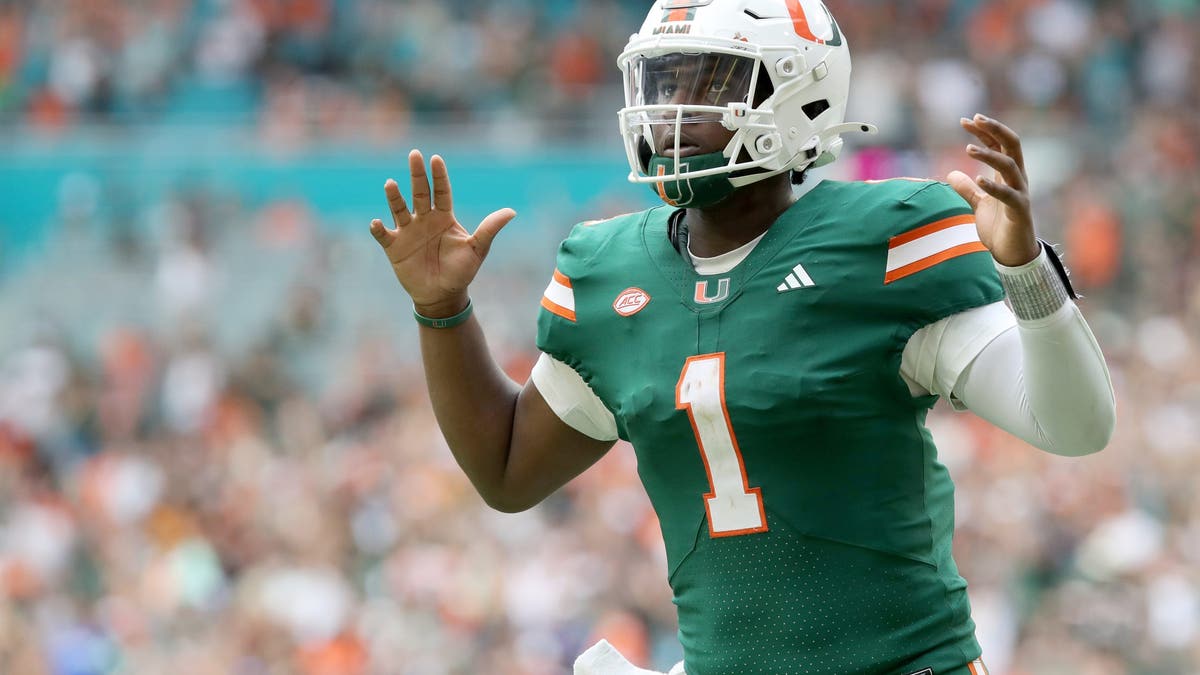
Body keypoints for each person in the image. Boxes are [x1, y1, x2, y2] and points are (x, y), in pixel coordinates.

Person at [368, 1, 1116, 673]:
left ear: (799, 94)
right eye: (661, 84)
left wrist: (1024, 269)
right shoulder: (609, 272)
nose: (669, 110)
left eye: (707, 83)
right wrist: (444, 312)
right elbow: (506, 470)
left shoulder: (885, 241)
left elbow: (1075, 425)